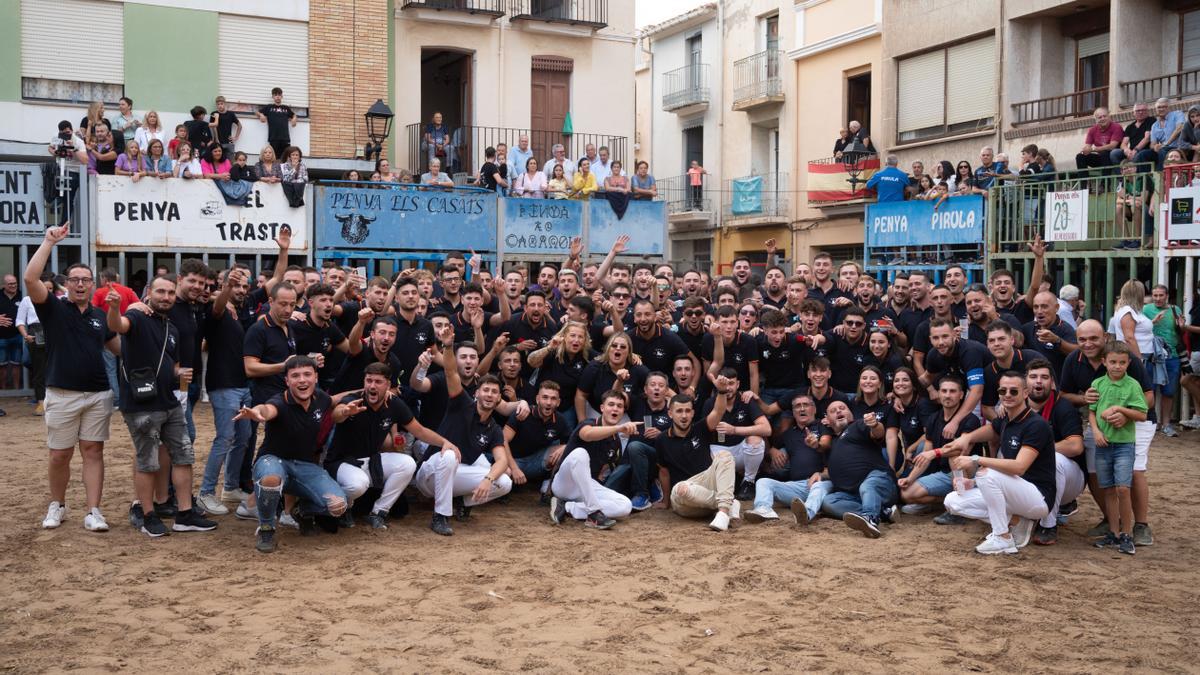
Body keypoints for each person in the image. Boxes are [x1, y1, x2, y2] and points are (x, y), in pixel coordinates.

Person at [105, 277, 216, 537]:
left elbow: (171, 364)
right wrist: (115, 307)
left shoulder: (172, 329)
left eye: (169, 293)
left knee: (184, 456)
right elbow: (117, 325)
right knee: (148, 461)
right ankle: (148, 515)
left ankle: (185, 515)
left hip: (170, 402)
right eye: (160, 292)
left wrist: (180, 372)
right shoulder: (137, 317)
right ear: (149, 294)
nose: (165, 297)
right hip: (142, 404)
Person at [25, 225, 118, 532]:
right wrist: (49, 241)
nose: (80, 284)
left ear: (94, 285)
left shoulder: (99, 317)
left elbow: (118, 347)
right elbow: (30, 278)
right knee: (59, 455)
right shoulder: (53, 307)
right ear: (65, 284)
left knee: (93, 452)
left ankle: (93, 510)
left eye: (85, 280)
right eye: (75, 280)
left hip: (97, 395)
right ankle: (58, 505)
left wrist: (137, 322)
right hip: (61, 393)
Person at [233, 356, 359, 552]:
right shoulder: (279, 402)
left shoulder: (320, 398)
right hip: (273, 461)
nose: (302, 380)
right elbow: (267, 410)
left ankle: (303, 511)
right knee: (271, 478)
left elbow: (333, 402)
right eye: (295, 376)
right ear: (287, 381)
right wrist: (256, 413)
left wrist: (357, 396)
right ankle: (267, 528)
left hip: (304, 466)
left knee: (338, 506)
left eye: (307, 374)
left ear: (316, 377)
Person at [327, 362, 456, 529]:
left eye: (378, 381)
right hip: (342, 462)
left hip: (371, 461)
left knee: (407, 463)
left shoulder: (393, 403)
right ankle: (345, 508)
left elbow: (420, 431)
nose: (372, 385)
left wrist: (445, 442)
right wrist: (345, 412)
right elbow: (336, 415)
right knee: (359, 483)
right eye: (369, 380)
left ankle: (378, 512)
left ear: (388, 385)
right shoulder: (353, 400)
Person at [413, 326, 513, 536]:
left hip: (456, 474)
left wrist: (487, 480)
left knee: (503, 481)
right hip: (430, 474)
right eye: (485, 390)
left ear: (498, 399)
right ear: (477, 393)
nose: (489, 395)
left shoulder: (493, 427)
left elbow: (502, 460)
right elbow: (450, 371)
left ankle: (464, 502)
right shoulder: (462, 403)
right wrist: (448, 346)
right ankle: (440, 516)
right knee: (449, 456)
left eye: (494, 392)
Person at [942, 371, 1057, 555]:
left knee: (986, 472)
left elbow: (1019, 467)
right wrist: (966, 439)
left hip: (1038, 497)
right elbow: (990, 429)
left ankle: (1002, 537)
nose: (1008, 395)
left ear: (1025, 393)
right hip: (1014, 494)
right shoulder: (1006, 419)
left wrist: (975, 459)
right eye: (1003, 391)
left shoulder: (1036, 424)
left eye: (1014, 391)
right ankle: (1017, 521)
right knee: (953, 502)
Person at [1087, 341, 1148, 555]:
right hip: (1103, 443)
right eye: (1113, 362)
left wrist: (1120, 409)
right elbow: (1092, 411)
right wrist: (1095, 431)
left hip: (1124, 444)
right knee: (1109, 489)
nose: (1117, 366)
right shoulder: (1097, 384)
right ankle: (1113, 532)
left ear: (1128, 363)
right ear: (1104, 362)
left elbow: (1142, 414)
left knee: (1123, 487)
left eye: (1122, 362)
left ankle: (1127, 534)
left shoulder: (1133, 385)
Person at [548, 390, 636, 530]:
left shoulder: (615, 442)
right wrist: (619, 428)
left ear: (623, 411)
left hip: (585, 487)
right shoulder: (589, 423)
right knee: (580, 453)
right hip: (564, 483)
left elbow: (605, 469)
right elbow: (588, 434)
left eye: (619, 406)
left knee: (625, 505)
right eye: (611, 404)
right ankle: (594, 513)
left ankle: (568, 507)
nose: (615, 408)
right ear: (602, 408)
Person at [652, 394, 741, 531]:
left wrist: (722, 391)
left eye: (687, 411)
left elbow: (718, 411)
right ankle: (729, 503)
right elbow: (664, 472)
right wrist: (665, 501)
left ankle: (723, 512)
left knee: (725, 455)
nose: (684, 416)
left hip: (706, 482)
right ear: (670, 413)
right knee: (682, 489)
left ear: (693, 413)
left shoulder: (701, 428)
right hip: (685, 500)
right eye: (679, 411)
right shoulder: (661, 439)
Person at [744, 393, 832, 526]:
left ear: (814, 409)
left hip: (822, 481)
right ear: (793, 412)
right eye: (797, 406)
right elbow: (771, 444)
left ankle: (806, 513)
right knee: (763, 482)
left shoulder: (823, 425)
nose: (802, 409)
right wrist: (772, 451)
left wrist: (816, 444)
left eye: (806, 405)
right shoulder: (789, 433)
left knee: (818, 487)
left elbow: (826, 443)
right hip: (797, 487)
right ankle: (764, 509)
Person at [1025, 359, 1086, 546]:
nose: (1038, 382)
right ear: (1024, 382)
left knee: (1055, 459)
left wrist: (1038, 449)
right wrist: (967, 438)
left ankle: (1048, 524)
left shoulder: (1063, 407)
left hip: (1070, 479)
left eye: (1044, 377)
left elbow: (1076, 446)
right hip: (1032, 475)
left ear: (1052, 383)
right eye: (1033, 377)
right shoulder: (1015, 405)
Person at [897, 376, 981, 512]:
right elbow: (925, 455)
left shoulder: (970, 419)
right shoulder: (933, 418)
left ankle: (960, 507)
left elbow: (961, 450)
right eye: (944, 391)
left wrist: (935, 453)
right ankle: (952, 502)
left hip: (968, 473)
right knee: (906, 494)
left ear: (961, 395)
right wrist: (910, 478)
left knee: (954, 458)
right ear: (939, 393)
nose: (947, 395)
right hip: (944, 474)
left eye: (952, 391)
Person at [818, 400, 897, 538]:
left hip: (879, 482)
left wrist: (875, 425)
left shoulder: (857, 425)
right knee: (828, 502)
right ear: (827, 420)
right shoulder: (833, 442)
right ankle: (883, 512)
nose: (838, 411)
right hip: (852, 495)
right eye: (833, 410)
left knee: (868, 485)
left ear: (851, 414)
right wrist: (819, 474)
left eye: (842, 408)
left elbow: (878, 433)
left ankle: (870, 518)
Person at [704, 368, 770, 500]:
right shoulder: (710, 403)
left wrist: (734, 430)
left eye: (731, 383)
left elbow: (767, 429)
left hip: (741, 451)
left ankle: (748, 482)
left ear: (738, 384)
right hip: (718, 451)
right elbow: (704, 432)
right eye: (724, 384)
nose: (727, 388)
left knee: (755, 440)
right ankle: (729, 483)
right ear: (717, 384)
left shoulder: (745, 400)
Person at [1144, 284, 1185, 437]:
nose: (1158, 298)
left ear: (1167, 295)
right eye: (1155, 295)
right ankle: (1151, 423)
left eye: (1161, 295)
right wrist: (1152, 322)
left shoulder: (1175, 309)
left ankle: (1166, 424)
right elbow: (1139, 330)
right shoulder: (1146, 310)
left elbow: (1180, 331)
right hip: (1152, 355)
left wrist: (1181, 326)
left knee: (1168, 392)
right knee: (1150, 391)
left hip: (1172, 355)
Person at [1075, 107, 1123, 171]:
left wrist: (1093, 149)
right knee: (1080, 156)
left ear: (1109, 116)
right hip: (1101, 158)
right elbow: (1088, 147)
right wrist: (1085, 150)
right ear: (1096, 120)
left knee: (1105, 153)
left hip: (1115, 158)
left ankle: (1105, 180)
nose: (1103, 119)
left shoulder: (1116, 127)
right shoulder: (1092, 130)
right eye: (1100, 117)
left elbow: (1112, 146)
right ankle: (1084, 181)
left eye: (1104, 116)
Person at [257, 87, 297, 160]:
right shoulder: (269, 107)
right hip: (273, 138)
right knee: (274, 159)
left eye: (279, 95)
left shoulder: (286, 108)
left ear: (282, 96)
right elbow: (257, 112)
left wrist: (294, 119)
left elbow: (293, 115)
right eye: (275, 95)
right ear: (273, 97)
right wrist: (261, 115)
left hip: (285, 138)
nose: (277, 96)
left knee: (286, 160)